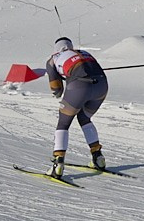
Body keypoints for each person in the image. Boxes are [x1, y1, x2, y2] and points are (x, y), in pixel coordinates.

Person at [43, 37, 107, 176]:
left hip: (79, 87)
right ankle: (98, 157)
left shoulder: (52, 59)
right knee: (84, 118)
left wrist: (62, 79)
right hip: (102, 86)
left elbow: (56, 90)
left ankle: (58, 163)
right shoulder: (84, 52)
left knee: (63, 123)